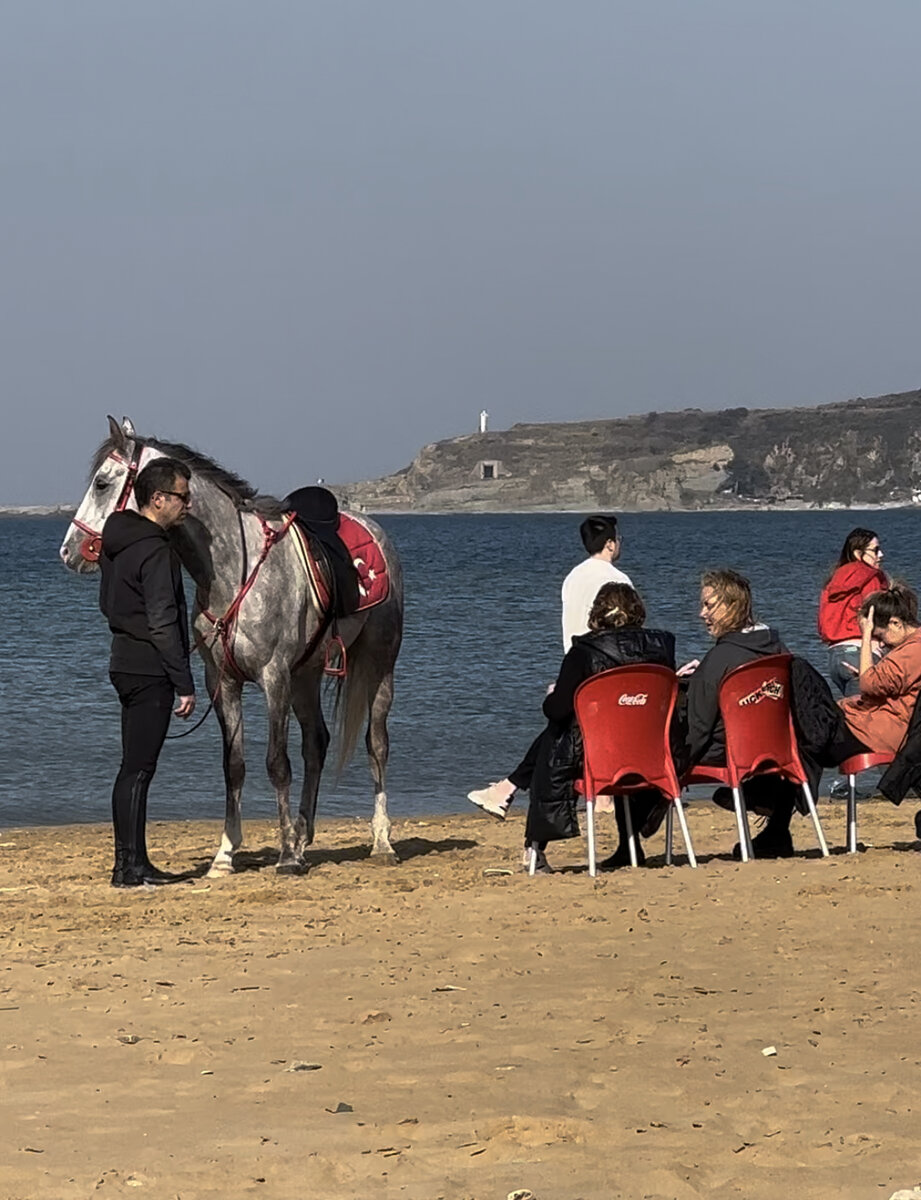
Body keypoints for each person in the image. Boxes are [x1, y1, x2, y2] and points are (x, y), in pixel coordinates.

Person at [468, 514, 633, 819]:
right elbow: (627, 634)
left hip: (576, 665)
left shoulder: (572, 578)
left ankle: (508, 788)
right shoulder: (619, 581)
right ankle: (599, 795)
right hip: (607, 671)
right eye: (618, 540)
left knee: (562, 728)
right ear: (610, 544)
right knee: (568, 730)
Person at [521, 582, 676, 872]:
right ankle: (629, 845)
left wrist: (553, 696)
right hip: (650, 749)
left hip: (597, 755)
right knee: (620, 728)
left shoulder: (584, 653)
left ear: (597, 614)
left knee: (554, 738)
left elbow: (557, 710)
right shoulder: (661, 649)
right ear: (637, 612)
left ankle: (536, 847)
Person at [99, 457, 197, 888]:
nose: (187, 505)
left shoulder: (116, 540)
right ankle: (130, 867)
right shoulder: (156, 549)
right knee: (138, 769)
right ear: (157, 500)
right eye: (182, 497)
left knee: (132, 767)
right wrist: (184, 682)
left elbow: (108, 603)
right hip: (148, 668)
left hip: (122, 660)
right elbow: (162, 620)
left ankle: (131, 863)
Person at [684, 568, 798, 859]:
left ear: (731, 606)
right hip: (778, 745)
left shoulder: (720, 658)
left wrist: (676, 760)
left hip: (731, 750)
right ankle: (762, 801)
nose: (702, 614)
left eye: (709, 605)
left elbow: (698, 727)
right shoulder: (778, 649)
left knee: (666, 747)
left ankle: (634, 836)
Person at [839, 585, 921, 758]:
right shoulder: (911, 648)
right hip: (890, 729)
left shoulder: (912, 651)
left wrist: (866, 635)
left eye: (881, 636)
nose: (882, 644)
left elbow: (868, 685)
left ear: (896, 623)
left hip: (885, 733)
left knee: (812, 729)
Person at [818, 528, 887, 697]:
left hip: (836, 656)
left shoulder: (833, 580)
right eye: (875, 550)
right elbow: (879, 614)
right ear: (858, 553)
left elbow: (823, 623)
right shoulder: (871, 577)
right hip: (861, 653)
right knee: (867, 717)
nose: (881, 555)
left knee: (852, 714)